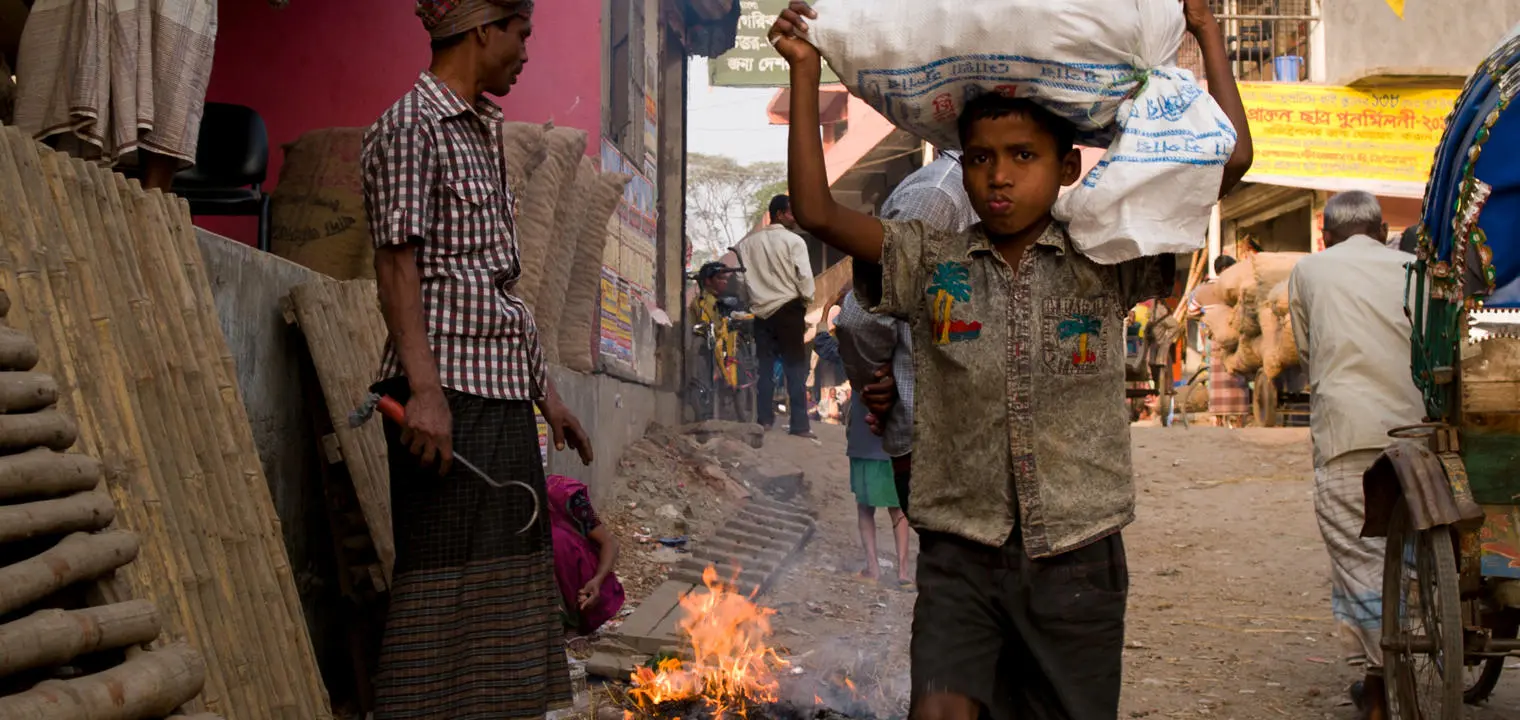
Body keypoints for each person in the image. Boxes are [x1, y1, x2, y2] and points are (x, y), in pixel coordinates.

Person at [768, 0, 1253, 716]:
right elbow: (817, 212)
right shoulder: (928, 259)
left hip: (1077, 559)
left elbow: (1230, 159)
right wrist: (806, 70)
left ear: (1066, 169)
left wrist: (1207, 31)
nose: (999, 177)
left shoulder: (1107, 257)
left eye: (1024, 157)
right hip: (960, 555)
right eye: (982, 159)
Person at [360, 2, 594, 717]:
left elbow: (496, 289)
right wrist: (424, 395)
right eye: (521, 33)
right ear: (482, 29)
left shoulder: (480, 130)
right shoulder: (410, 127)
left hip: (495, 393)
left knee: (507, 587)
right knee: (439, 592)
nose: (526, 51)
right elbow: (397, 270)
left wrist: (544, 395)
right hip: (446, 397)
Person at [1288, 190, 1423, 720]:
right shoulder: (1413, 267)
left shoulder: (1310, 271)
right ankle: (1404, 655)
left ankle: (1383, 676)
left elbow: (1307, 349)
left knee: (1358, 553)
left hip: (1346, 430)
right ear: (1384, 230)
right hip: (1416, 430)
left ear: (1325, 235)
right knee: (1413, 551)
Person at [836, 148, 980, 521]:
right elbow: (863, 318)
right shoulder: (940, 196)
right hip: (939, 443)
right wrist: (879, 388)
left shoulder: (965, 190)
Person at [735, 195, 816, 438]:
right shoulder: (794, 241)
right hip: (789, 309)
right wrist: (806, 300)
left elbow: (741, 280)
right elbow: (804, 277)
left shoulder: (747, 245)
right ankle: (800, 425)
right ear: (779, 214)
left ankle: (764, 421)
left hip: (762, 313)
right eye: (792, 213)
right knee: (795, 368)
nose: (795, 218)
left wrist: (753, 301)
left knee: (765, 367)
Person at [844, 390, 913, 588]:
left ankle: (873, 569)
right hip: (894, 441)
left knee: (865, 507)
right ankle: (903, 572)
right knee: (898, 507)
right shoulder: (899, 360)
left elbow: (832, 357)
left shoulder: (855, 359)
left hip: (863, 439)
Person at [547, 474, 625, 637]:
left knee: (557, 540)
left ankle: (571, 623)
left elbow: (609, 543)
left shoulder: (566, 495)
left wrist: (597, 580)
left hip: (577, 576)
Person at [1189, 256, 1251, 427]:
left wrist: (1208, 318)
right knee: (1237, 376)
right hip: (1237, 340)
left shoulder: (1202, 290)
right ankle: (1239, 418)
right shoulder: (1239, 288)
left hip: (1215, 340)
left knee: (1216, 381)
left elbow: (1191, 311)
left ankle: (1219, 419)